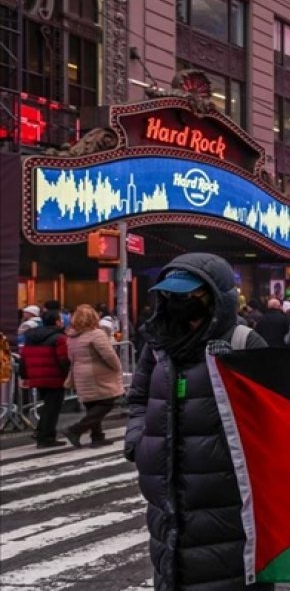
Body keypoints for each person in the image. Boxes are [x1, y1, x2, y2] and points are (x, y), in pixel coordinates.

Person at [125, 253, 271, 590]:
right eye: (172, 294)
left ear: (216, 297)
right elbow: (137, 398)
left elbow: (271, 418)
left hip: (227, 500)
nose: (179, 302)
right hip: (166, 500)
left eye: (190, 294)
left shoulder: (243, 343)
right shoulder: (158, 344)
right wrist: (138, 442)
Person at [62, 304, 124, 447]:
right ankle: (76, 430)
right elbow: (108, 355)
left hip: (80, 373)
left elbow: (71, 357)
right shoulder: (96, 334)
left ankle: (97, 436)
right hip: (98, 373)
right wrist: (117, 367)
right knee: (107, 402)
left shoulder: (71, 336)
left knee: (92, 405)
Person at [20, 310, 71, 448]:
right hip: (55, 377)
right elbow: (63, 359)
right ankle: (46, 437)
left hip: (37, 376)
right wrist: (69, 375)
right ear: (57, 322)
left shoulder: (31, 337)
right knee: (52, 408)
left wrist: (24, 375)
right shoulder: (60, 338)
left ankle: (41, 432)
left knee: (47, 406)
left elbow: (24, 357)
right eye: (60, 319)